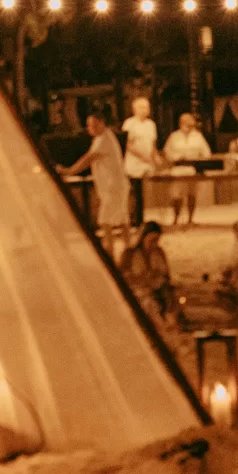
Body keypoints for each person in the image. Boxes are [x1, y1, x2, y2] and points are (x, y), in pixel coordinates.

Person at [64, 113, 132, 250]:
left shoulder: (104, 139)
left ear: (102, 123)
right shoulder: (100, 138)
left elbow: (88, 159)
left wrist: (69, 171)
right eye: (89, 125)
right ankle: (129, 247)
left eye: (94, 125)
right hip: (115, 186)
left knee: (105, 220)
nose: (91, 128)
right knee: (122, 218)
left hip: (114, 187)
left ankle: (110, 249)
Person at [162, 111, 212, 228]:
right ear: (181, 123)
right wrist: (177, 157)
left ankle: (190, 219)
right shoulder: (174, 136)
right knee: (176, 196)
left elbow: (206, 153)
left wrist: (199, 160)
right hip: (178, 169)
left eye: (191, 123)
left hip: (192, 169)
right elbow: (167, 152)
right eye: (186, 123)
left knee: (192, 195)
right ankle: (176, 218)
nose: (189, 125)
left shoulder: (198, 136)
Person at [120, 221, 176, 322]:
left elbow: (166, 275)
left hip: (157, 289)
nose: (154, 244)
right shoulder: (130, 254)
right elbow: (122, 278)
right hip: (137, 291)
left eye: (157, 240)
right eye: (152, 240)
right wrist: (143, 280)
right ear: (143, 238)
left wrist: (157, 279)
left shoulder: (159, 253)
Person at [120, 96, 160, 226]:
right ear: (134, 109)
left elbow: (153, 144)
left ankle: (143, 219)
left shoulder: (151, 125)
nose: (145, 110)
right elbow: (128, 145)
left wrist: (155, 157)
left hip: (147, 164)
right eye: (142, 107)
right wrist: (142, 156)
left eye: (147, 107)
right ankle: (134, 220)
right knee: (134, 193)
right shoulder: (129, 124)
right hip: (134, 164)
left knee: (144, 194)